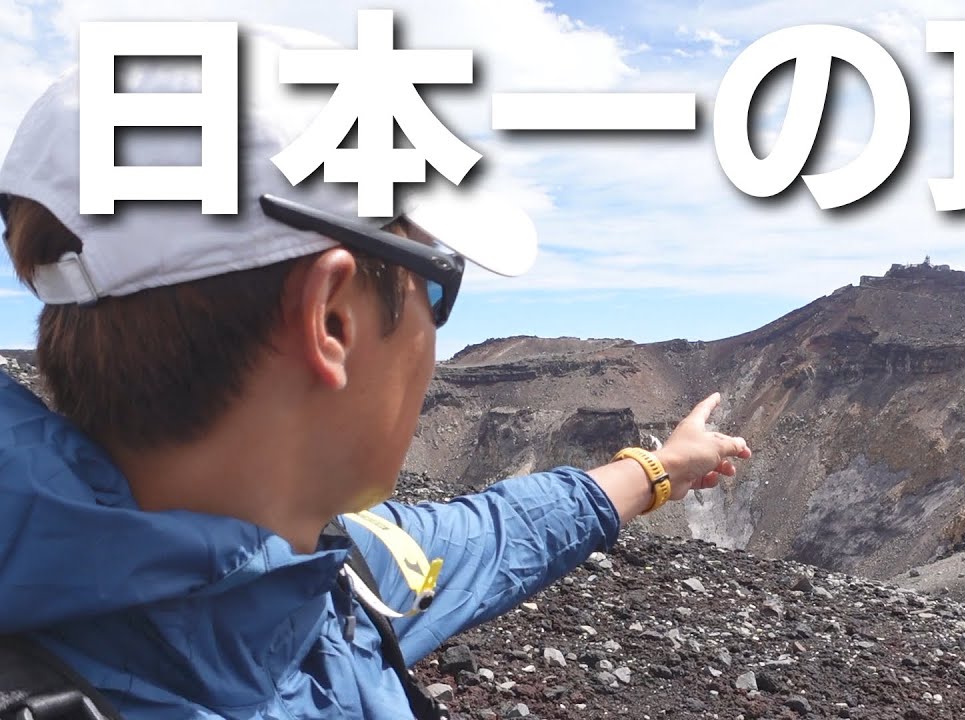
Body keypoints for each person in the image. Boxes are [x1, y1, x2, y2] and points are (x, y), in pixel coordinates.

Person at [0, 26, 751, 720]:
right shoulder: (298, 578)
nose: (434, 338)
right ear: (332, 319)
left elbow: (491, 535)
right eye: (435, 285)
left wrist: (659, 468)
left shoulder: (315, 567)